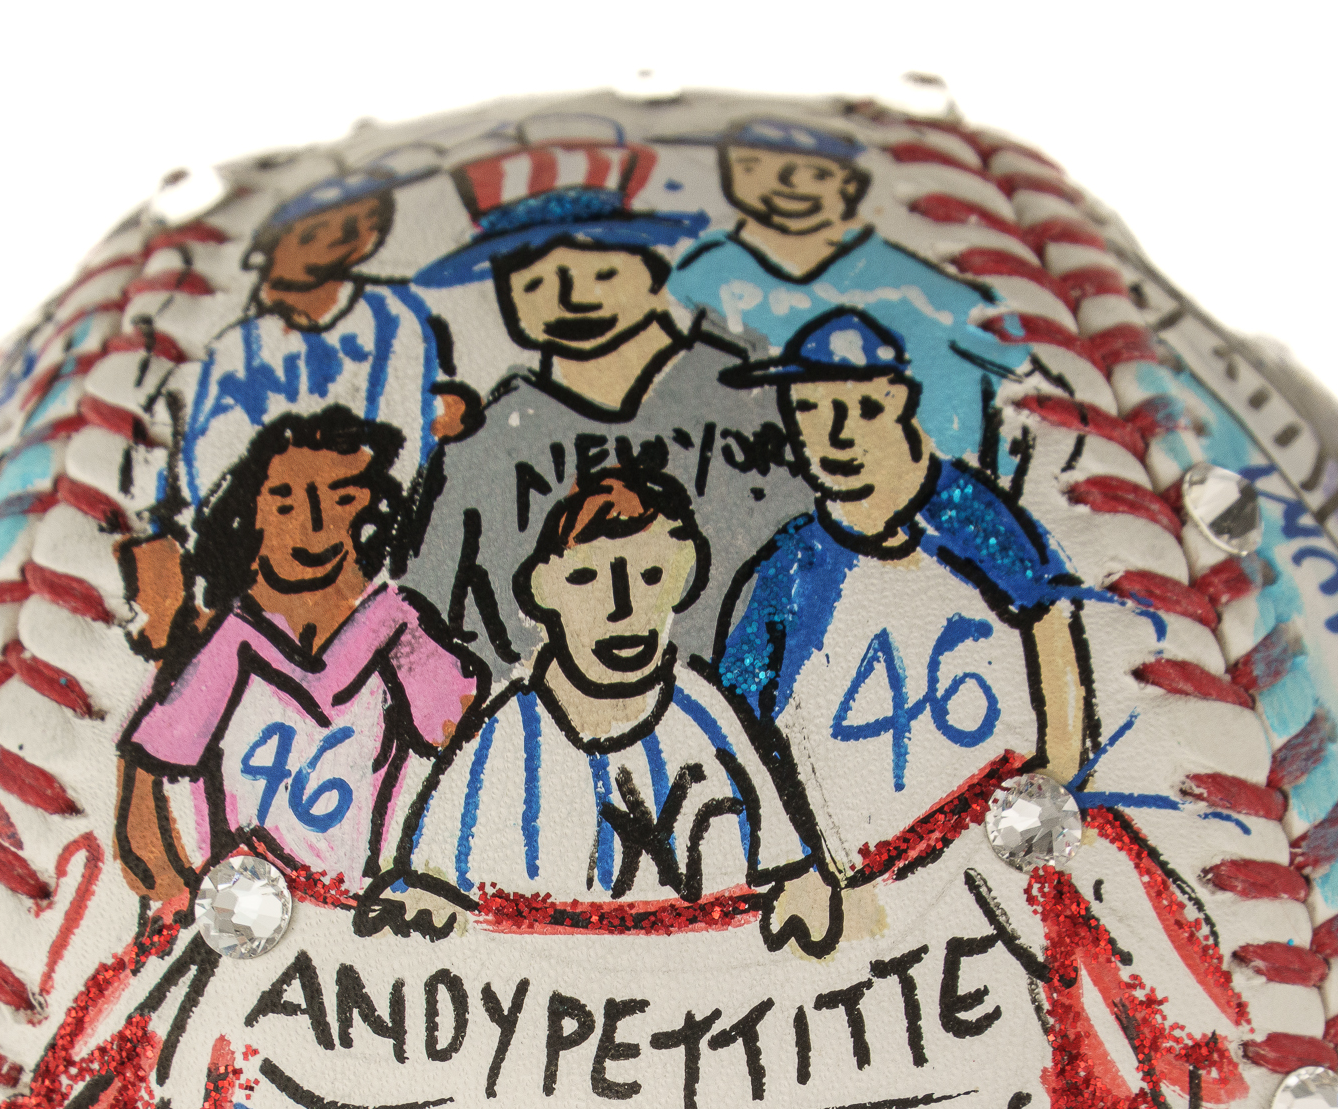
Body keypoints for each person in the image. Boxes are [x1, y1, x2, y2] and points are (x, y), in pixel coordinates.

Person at [364, 468, 830, 951]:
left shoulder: (707, 719)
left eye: (650, 575)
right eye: (586, 578)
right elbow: (430, 882)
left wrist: (801, 893)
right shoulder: (505, 738)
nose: (622, 607)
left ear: (681, 576)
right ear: (542, 590)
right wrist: (426, 904)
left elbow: (790, 867)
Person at [394, 134, 806, 673]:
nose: (571, 298)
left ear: (656, 272)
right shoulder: (487, 444)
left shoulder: (750, 393)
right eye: (536, 283)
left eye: (601, 273)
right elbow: (427, 616)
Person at [715, 312, 1089, 906]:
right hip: (870, 888)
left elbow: (1049, 621)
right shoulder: (791, 569)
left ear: (897, 400)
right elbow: (735, 719)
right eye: (810, 410)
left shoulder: (964, 514)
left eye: (859, 408)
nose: (835, 435)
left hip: (998, 854)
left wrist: (1058, 769)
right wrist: (803, 870)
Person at [116, 408, 485, 897]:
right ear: (250, 515)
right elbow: (146, 791)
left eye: (342, 499)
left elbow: (464, 748)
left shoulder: (393, 622)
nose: (315, 525)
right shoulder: (229, 641)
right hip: (247, 906)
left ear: (374, 510)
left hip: (370, 911)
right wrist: (187, 901)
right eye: (285, 504)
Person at [127, 163, 477, 653]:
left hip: (370, 550)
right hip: (238, 562)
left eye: (356, 227)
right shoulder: (228, 348)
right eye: (318, 227)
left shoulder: (394, 319)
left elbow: (413, 449)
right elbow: (180, 476)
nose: (337, 239)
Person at [666, 118, 1034, 462]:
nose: (784, 183)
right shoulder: (700, 268)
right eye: (752, 167)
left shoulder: (936, 296)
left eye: (816, 173)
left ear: (851, 183)